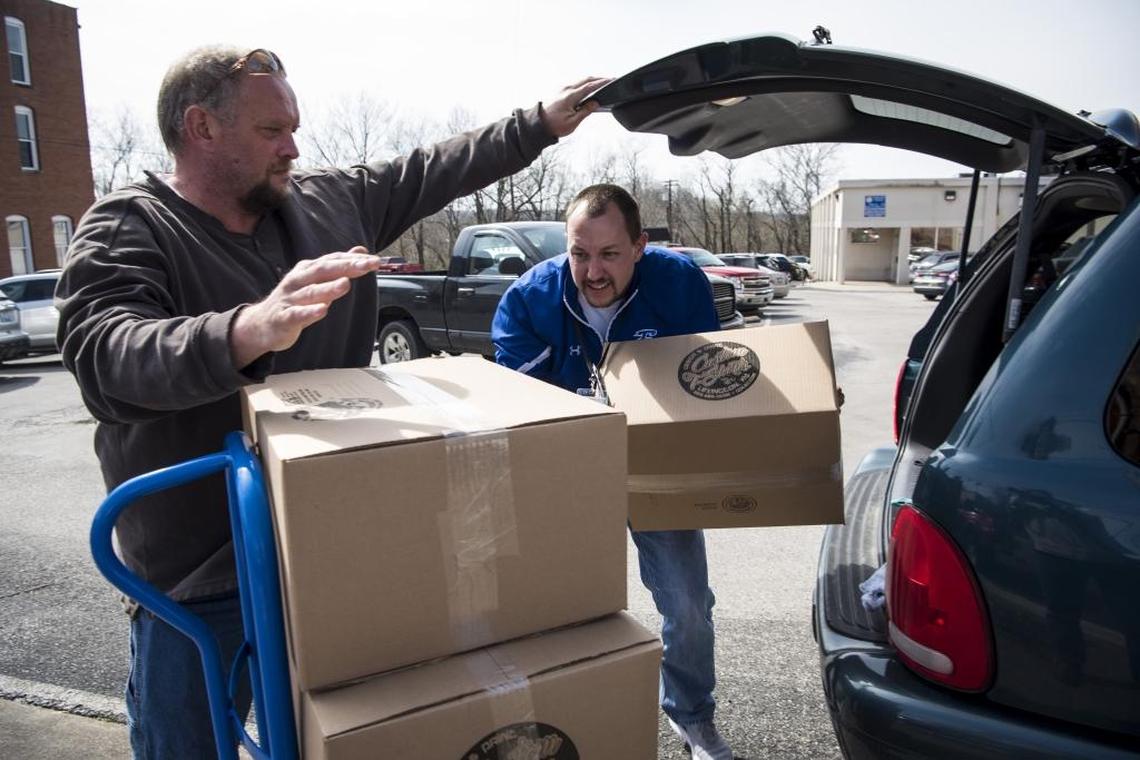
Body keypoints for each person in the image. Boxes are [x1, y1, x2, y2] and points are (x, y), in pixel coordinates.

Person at [55, 44, 605, 759]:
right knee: (188, 745)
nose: (292, 146)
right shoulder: (129, 227)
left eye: (293, 127)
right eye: (271, 130)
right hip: (200, 575)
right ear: (201, 128)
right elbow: (106, 352)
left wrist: (539, 122)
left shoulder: (325, 202)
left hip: (330, 547)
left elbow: (432, 169)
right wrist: (246, 330)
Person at [492, 184, 735, 760]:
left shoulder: (678, 282)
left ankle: (692, 716)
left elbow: (712, 380)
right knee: (559, 608)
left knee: (686, 604)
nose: (593, 271)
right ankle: (565, 717)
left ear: (640, 246)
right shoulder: (530, 297)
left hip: (655, 463)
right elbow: (519, 401)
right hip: (568, 469)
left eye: (609, 254)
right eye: (579, 254)